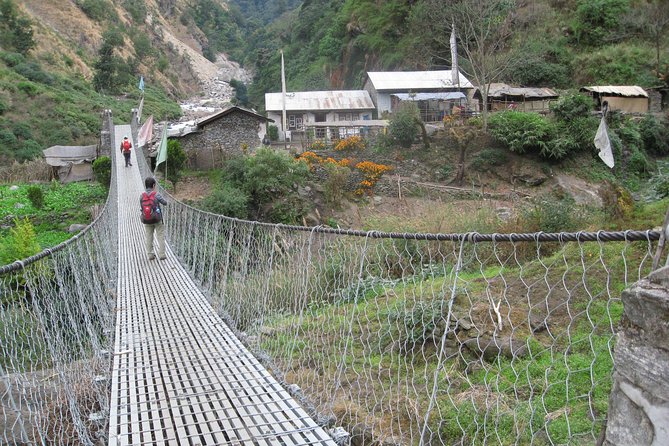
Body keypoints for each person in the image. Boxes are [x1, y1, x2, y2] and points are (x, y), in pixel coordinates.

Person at [140, 177, 167, 260]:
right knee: (160, 235)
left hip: (147, 219)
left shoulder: (142, 196)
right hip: (157, 219)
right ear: (154, 185)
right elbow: (165, 203)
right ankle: (162, 254)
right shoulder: (156, 194)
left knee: (149, 236)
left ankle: (150, 254)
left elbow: (141, 207)